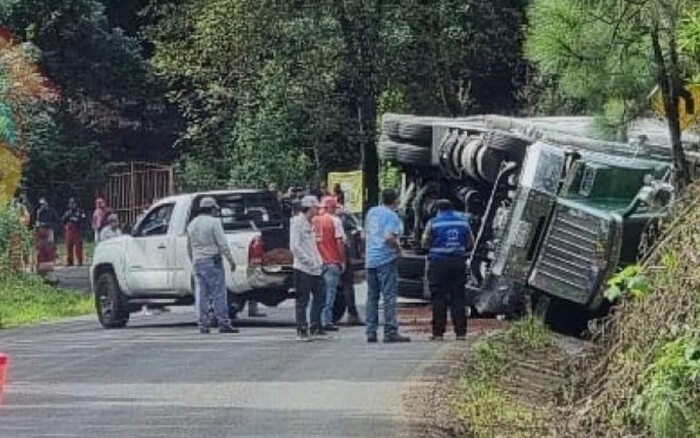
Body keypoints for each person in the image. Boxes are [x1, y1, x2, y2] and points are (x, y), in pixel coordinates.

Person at [421, 200, 473, 341]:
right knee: (458, 297)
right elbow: (470, 243)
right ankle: (460, 333)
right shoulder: (463, 222)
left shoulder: (433, 223)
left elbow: (425, 242)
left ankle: (438, 333)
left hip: (438, 263)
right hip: (458, 263)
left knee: (439, 298)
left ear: (438, 210)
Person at [186, 197, 238, 334]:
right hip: (212, 260)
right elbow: (222, 243)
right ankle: (223, 323)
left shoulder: (192, 224)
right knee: (219, 293)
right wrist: (231, 260)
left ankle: (202, 324)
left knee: (201, 294)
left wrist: (193, 260)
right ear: (211, 209)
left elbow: (189, 247)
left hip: (198, 261)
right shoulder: (214, 222)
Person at [364, 189, 410, 343]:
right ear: (396, 200)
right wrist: (399, 250)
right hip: (385, 259)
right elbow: (389, 237)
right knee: (389, 296)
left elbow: (367, 234)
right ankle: (390, 331)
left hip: (371, 259)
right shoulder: (392, 216)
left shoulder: (372, 212)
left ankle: (371, 331)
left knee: (372, 296)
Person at [290, 195, 325, 341]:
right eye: (316, 208)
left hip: (315, 267)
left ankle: (316, 326)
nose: (318, 210)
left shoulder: (310, 223)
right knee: (302, 300)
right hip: (303, 268)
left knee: (320, 297)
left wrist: (318, 261)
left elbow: (313, 245)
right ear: (310, 208)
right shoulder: (297, 223)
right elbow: (295, 247)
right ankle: (301, 329)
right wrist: (308, 261)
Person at [314, 196, 346, 332]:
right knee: (329, 293)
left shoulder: (313, 221)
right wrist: (342, 260)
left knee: (315, 294)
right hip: (332, 261)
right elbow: (339, 242)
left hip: (316, 263)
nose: (335, 210)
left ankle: (314, 321)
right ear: (330, 208)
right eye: (334, 207)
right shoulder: (335, 221)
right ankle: (326, 321)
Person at [34, 198, 58, 274]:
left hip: (49, 229)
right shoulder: (38, 211)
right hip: (41, 230)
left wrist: (49, 225)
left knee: (50, 247)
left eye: (43, 204)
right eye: (41, 205)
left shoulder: (51, 211)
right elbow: (36, 221)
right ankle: (40, 264)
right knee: (40, 247)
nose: (42, 206)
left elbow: (56, 220)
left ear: (46, 204)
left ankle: (51, 262)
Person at [62, 198, 87, 266]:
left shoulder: (80, 212)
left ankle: (80, 261)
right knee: (69, 247)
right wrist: (68, 218)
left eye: (73, 203)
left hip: (77, 231)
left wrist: (76, 220)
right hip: (69, 232)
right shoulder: (67, 212)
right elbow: (63, 220)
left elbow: (84, 220)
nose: (72, 205)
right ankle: (70, 261)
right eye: (71, 203)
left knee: (78, 247)